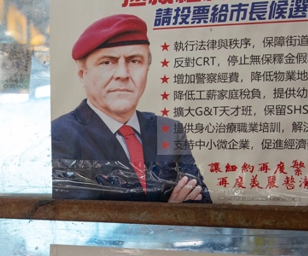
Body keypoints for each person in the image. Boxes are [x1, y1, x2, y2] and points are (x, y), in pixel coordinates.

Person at [52, 14, 211, 204]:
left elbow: (200, 208)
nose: (122, 74)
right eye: (107, 62)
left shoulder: (167, 131)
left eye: (134, 61)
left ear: (147, 69)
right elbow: (81, 223)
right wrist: (167, 214)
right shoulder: (60, 136)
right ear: (82, 74)